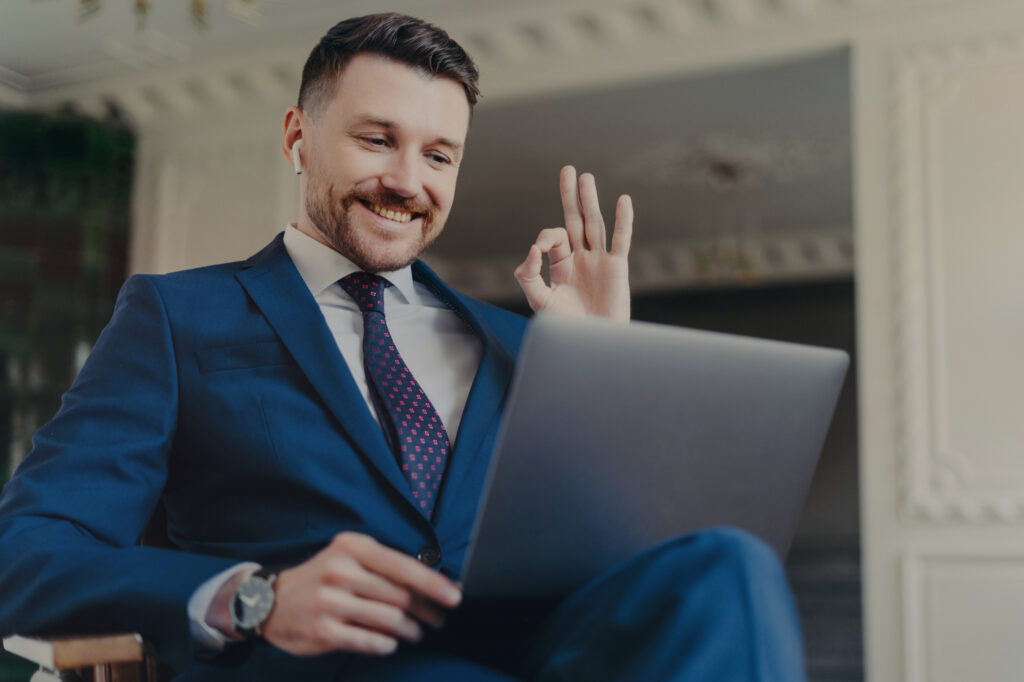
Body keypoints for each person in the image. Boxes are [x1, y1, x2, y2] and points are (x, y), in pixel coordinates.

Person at [0, 13, 806, 681]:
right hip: (323, 665)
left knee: (730, 569)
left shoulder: (522, 342)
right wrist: (258, 596)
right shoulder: (176, 317)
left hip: (526, 653)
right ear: (298, 137)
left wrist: (604, 365)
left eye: (439, 155)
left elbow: (616, 556)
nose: (408, 181)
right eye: (377, 139)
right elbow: (27, 552)